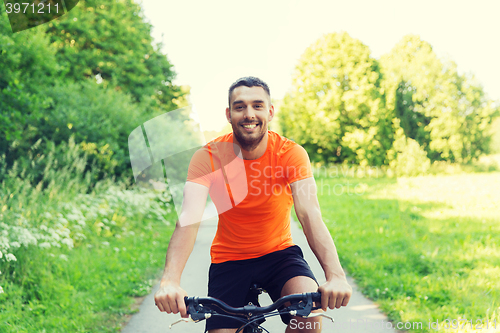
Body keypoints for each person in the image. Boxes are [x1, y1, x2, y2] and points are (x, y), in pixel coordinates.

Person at [154, 76, 352, 333]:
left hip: (280, 255)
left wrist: (336, 275)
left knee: (310, 315)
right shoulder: (207, 157)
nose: (249, 114)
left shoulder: (291, 154)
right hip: (229, 261)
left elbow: (309, 213)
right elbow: (189, 219)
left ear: (270, 111)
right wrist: (170, 281)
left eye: (258, 105)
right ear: (229, 114)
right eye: (240, 107)